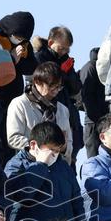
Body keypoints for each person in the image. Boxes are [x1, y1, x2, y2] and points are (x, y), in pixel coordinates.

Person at [4, 122, 86, 221]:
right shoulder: (16, 165)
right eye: (51, 150)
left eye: (58, 151)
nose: (54, 155)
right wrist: (40, 165)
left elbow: (77, 203)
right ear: (33, 145)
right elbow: (22, 194)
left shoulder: (63, 168)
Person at [35, 27, 84, 163]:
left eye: (67, 50)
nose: (64, 52)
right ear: (51, 43)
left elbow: (76, 88)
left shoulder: (65, 59)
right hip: (49, 108)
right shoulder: (39, 57)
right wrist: (60, 72)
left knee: (75, 142)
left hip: (67, 107)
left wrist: (68, 73)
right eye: (61, 48)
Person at [6, 61, 73, 160]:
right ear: (37, 82)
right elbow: (13, 138)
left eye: (59, 87)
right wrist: (42, 148)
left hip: (57, 166)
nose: (55, 90)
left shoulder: (63, 109)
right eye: (51, 86)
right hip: (29, 165)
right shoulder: (19, 103)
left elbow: (69, 143)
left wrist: (64, 147)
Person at [79, 47, 108, 158]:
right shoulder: (90, 67)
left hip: (104, 120)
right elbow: (86, 96)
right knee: (94, 156)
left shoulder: (106, 68)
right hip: (93, 121)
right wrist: (97, 118)